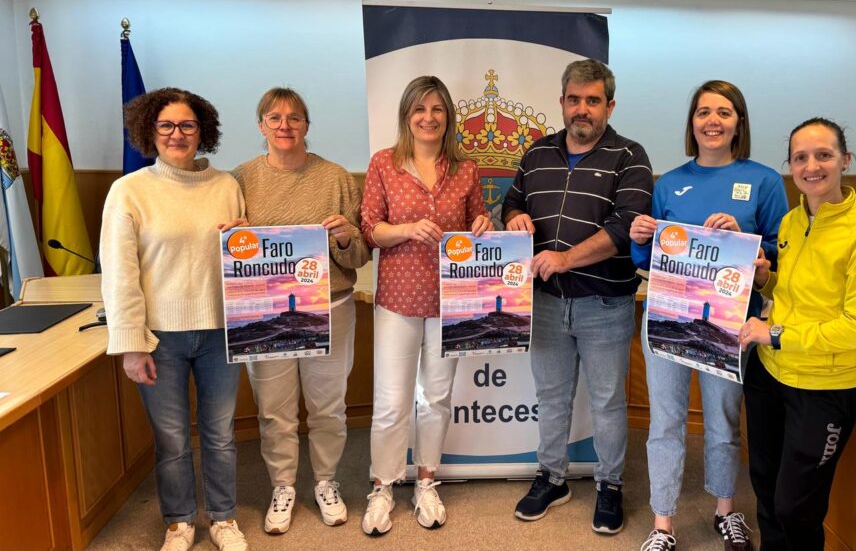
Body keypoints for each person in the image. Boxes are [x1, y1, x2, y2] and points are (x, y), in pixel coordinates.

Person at [629, 81, 788, 551]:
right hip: (667, 317)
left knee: (723, 420)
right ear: (692, 122)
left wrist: (745, 239)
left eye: (724, 112)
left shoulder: (764, 181)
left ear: (739, 122)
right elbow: (649, 259)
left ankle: (725, 510)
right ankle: (662, 524)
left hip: (729, 323)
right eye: (703, 112)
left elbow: (782, 252)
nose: (712, 121)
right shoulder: (668, 182)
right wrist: (639, 237)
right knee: (665, 423)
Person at [504, 59, 653, 535]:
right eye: (574, 99)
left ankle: (610, 484)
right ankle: (552, 477)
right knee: (551, 398)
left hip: (604, 304)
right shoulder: (537, 153)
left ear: (610, 105)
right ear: (562, 102)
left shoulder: (630, 156)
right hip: (546, 302)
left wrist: (566, 258)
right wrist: (512, 217)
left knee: (607, 402)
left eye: (592, 100)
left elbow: (624, 228)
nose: (582, 109)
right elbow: (513, 200)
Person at [737, 117, 856, 551]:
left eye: (824, 155)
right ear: (790, 166)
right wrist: (765, 280)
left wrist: (775, 334)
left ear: (846, 160)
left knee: (796, 507)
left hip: (823, 386)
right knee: (765, 485)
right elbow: (795, 295)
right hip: (770, 373)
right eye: (800, 158)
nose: (812, 166)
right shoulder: (792, 222)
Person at [101, 88, 249, 551]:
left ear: (202, 131)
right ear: (150, 130)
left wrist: (246, 237)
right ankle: (179, 522)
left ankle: (223, 518)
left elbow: (245, 257)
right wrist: (131, 344)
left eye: (187, 125)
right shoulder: (129, 191)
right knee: (171, 439)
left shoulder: (227, 186)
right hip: (158, 337)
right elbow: (119, 273)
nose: (177, 134)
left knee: (220, 434)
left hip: (221, 331)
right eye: (166, 125)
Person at [233, 87, 370, 534]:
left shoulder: (336, 178)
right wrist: (232, 238)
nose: (285, 125)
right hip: (265, 313)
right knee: (274, 409)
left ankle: (326, 481)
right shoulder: (239, 181)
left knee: (328, 406)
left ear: (307, 125)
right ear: (261, 126)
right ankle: (283, 485)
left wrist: (346, 237)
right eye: (274, 118)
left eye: (294, 117)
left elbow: (359, 256)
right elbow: (227, 250)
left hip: (330, 308)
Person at [359, 75, 492, 535]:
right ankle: (382, 486)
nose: (428, 118)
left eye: (437, 109)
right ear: (406, 116)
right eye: (420, 109)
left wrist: (482, 223)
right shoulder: (384, 163)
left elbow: (477, 222)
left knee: (436, 398)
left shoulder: (466, 169)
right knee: (391, 401)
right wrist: (407, 230)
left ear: (448, 117)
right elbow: (370, 229)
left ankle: (426, 480)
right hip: (397, 300)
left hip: (450, 302)